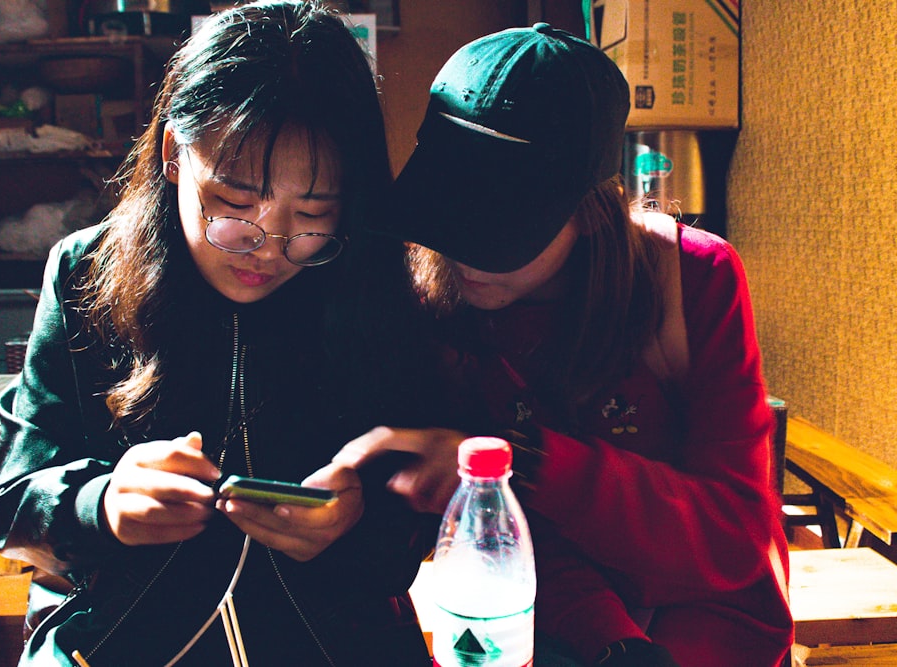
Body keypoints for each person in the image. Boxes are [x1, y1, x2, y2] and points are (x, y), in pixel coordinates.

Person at [0, 2, 435, 665]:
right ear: (172, 154)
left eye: (312, 217)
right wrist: (98, 505)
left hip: (326, 637)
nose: (267, 248)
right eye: (234, 205)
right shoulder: (85, 273)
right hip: (120, 635)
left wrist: (355, 524)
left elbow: (413, 527)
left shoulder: (372, 279)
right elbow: (13, 509)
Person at [333, 23, 795, 667]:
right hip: (543, 623)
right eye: (446, 212)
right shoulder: (432, 297)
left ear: (587, 207)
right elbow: (512, 544)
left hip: (707, 628)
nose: (462, 252)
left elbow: (733, 536)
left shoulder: (692, 279)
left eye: (496, 229)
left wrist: (524, 461)